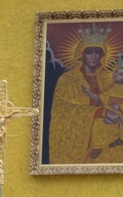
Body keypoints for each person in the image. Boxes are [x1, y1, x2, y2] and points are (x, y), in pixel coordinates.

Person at [48, 23, 113, 164]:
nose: (94, 56)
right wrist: (96, 112)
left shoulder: (108, 80)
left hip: (106, 136)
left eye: (97, 52)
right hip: (81, 138)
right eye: (89, 52)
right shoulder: (68, 79)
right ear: (81, 55)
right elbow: (60, 109)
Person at [83, 64, 123, 164]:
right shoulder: (112, 87)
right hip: (110, 111)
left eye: (120, 74)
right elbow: (101, 98)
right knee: (98, 123)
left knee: (113, 123)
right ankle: (98, 147)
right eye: (116, 72)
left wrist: (119, 107)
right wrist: (89, 93)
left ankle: (119, 139)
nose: (116, 74)